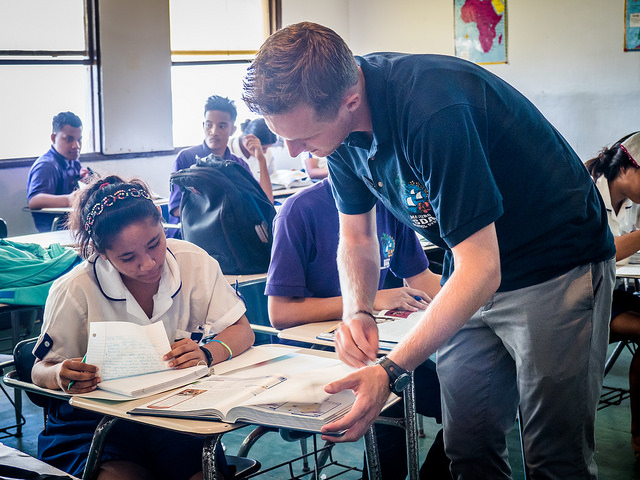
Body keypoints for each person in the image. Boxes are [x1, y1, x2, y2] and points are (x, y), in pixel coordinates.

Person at [242, 21, 616, 479]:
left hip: (554, 262)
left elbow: (484, 268)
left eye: (301, 137)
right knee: (467, 447)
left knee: (553, 457)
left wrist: (390, 371)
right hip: (471, 268)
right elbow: (357, 236)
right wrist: (356, 311)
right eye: (282, 135)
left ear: (350, 101)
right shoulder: (334, 127)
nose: (294, 151)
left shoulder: (430, 111)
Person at [31, 174, 254, 479]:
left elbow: (242, 330)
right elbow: (37, 369)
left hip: (173, 412)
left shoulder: (193, 262)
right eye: (128, 257)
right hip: (93, 422)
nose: (148, 263)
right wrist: (59, 374)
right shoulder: (75, 289)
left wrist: (207, 353)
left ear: (162, 224)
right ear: (102, 252)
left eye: (154, 244)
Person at [266, 177, 450, 479]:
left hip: (383, 349)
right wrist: (370, 300)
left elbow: (423, 280)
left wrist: (480, 305)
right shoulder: (300, 209)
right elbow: (281, 312)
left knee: (469, 406)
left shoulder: (389, 201)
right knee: (390, 423)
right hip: (322, 349)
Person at [585, 131, 640, 458]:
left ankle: (638, 436)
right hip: (587, 300)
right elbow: (605, 250)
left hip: (619, 293)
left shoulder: (634, 203)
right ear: (625, 169)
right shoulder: (587, 195)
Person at [167, 95, 273, 236]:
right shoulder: (186, 158)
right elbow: (176, 209)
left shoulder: (238, 165)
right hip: (192, 236)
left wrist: (261, 160)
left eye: (222, 126)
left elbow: (265, 203)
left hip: (228, 238)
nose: (214, 132)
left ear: (233, 130)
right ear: (203, 125)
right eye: (209, 124)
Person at [27, 111, 91, 232]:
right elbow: (34, 201)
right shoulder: (47, 165)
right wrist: (69, 199)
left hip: (74, 227)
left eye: (79, 140)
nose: (76, 145)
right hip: (55, 230)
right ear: (53, 138)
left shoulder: (74, 161)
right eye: (69, 139)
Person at [229, 117, 277, 183]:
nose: (265, 152)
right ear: (249, 139)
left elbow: (273, 177)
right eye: (263, 148)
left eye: (267, 148)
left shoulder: (267, 153)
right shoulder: (227, 149)